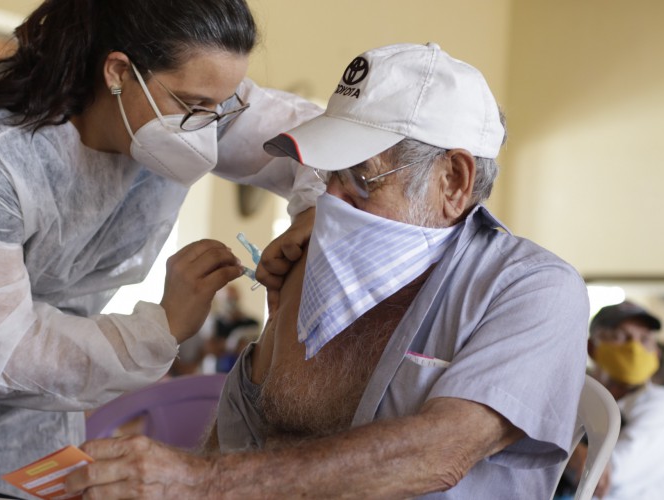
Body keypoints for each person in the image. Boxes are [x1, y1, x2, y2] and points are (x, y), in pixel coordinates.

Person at [65, 43, 590, 499]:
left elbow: (439, 453)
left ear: (453, 180)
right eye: (327, 175)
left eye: (359, 179)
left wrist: (196, 484)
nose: (329, 202)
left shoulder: (532, 290)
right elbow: (247, 427)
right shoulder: (312, 268)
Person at [0, 0, 322, 496]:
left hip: (44, 435)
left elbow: (328, 149)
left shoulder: (202, 91)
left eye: (223, 105)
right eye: (193, 106)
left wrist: (321, 212)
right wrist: (163, 326)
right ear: (118, 71)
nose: (210, 126)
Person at [559, 301, 664, 500]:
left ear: (656, 354)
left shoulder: (660, 406)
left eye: (644, 339)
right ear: (591, 347)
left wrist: (560, 443)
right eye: (620, 336)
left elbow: (599, 476)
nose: (634, 348)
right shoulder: (571, 393)